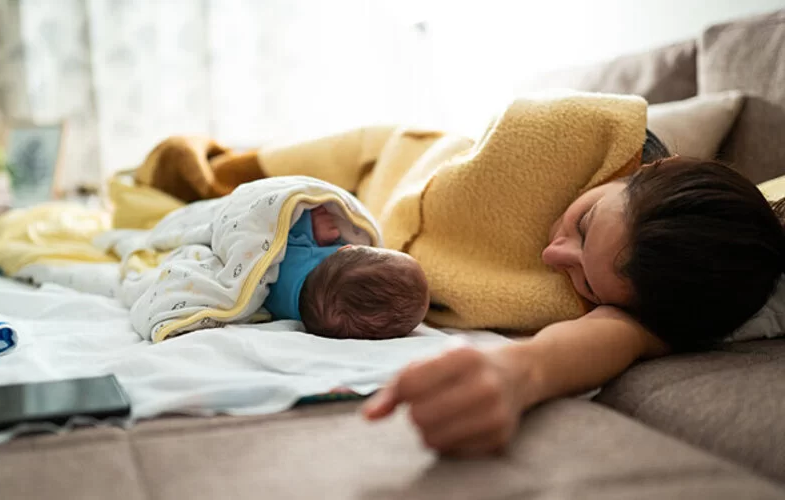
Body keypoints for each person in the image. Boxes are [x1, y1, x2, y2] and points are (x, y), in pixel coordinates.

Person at [363, 140, 785, 456]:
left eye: (586, 284)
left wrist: (516, 371)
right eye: (585, 223)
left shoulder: (703, 290)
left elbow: (617, 333)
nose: (552, 255)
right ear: (654, 167)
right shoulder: (640, 169)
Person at [264, 205, 430, 340]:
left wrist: (310, 227)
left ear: (345, 248)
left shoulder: (303, 255)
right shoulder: (305, 314)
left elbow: (279, 234)